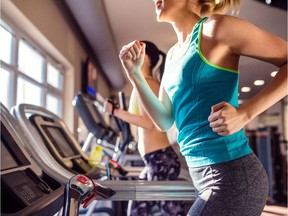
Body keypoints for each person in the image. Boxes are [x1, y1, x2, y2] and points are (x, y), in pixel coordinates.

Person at [118, 0, 288, 215]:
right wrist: (135, 75)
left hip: (231, 175)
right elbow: (163, 120)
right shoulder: (172, 54)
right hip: (201, 176)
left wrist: (246, 113)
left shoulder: (216, 28)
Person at [104, 41, 184, 216]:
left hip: (160, 159)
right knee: (137, 209)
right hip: (154, 161)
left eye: (137, 50)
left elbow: (148, 123)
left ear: (145, 57)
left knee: (170, 210)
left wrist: (116, 111)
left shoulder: (149, 84)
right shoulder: (143, 84)